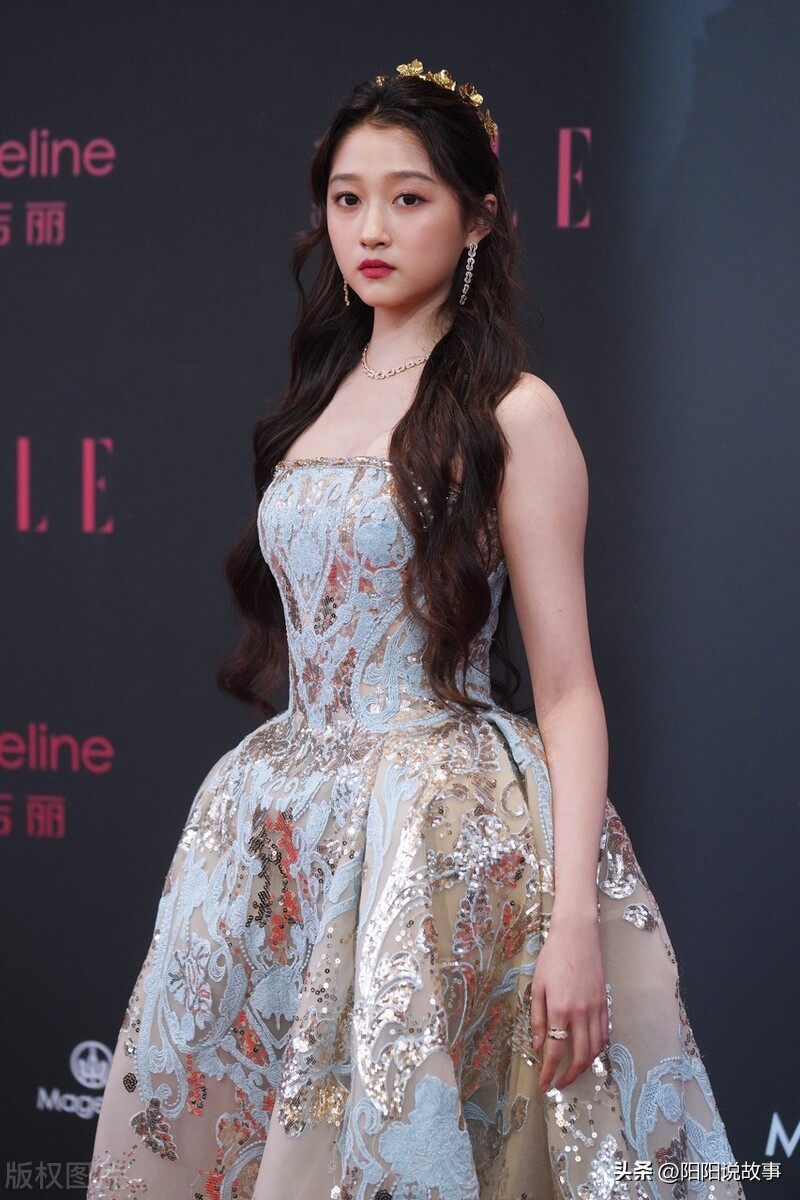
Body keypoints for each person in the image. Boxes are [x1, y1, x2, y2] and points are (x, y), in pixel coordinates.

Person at [88, 58, 745, 1200]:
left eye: (409, 197)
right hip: (280, 828)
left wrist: (573, 921)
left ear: (478, 217)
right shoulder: (317, 396)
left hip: (440, 838)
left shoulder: (514, 412)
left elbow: (569, 688)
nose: (372, 229)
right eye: (348, 199)